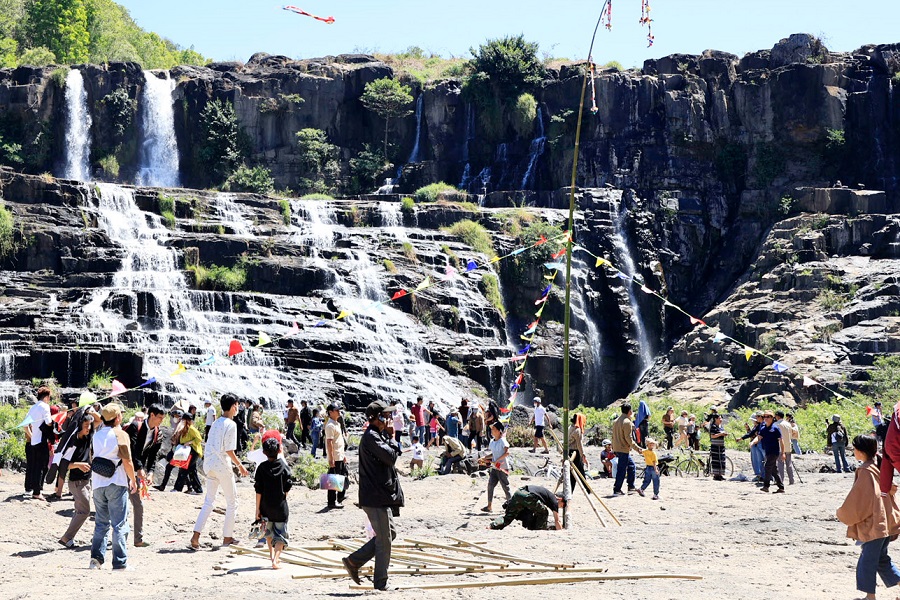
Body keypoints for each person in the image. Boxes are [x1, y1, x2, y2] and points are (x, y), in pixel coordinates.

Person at [342, 400, 404, 592]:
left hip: (379, 495)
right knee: (385, 539)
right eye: (385, 415)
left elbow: (393, 454)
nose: (389, 418)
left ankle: (354, 561)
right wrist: (393, 437)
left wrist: (390, 437)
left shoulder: (378, 435)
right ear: (376, 418)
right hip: (375, 497)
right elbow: (391, 457)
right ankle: (380, 583)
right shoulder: (372, 437)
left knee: (389, 534)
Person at [837, 434, 900, 600]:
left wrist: (842, 512)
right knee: (881, 560)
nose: (853, 451)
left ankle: (869, 597)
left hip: (874, 525)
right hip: (885, 521)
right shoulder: (877, 465)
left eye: (854, 449)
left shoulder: (865, 470)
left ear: (860, 451)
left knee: (867, 561)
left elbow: (860, 500)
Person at [191, 394, 250, 550]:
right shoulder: (231, 424)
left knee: (209, 501)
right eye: (237, 405)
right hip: (222, 466)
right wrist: (240, 466)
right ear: (233, 406)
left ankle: (195, 537)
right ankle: (227, 538)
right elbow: (229, 450)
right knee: (232, 502)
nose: (238, 408)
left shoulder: (216, 422)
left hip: (209, 465)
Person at [89, 403, 137, 570]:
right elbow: (127, 461)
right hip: (116, 482)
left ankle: (95, 560)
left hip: (97, 483)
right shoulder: (121, 434)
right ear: (117, 418)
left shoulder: (96, 434)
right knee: (119, 524)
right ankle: (120, 562)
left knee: (101, 523)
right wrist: (133, 480)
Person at [123, 404, 164, 547]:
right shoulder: (135, 426)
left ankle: (138, 539)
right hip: (123, 469)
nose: (161, 421)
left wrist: (151, 472)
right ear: (151, 415)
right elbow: (131, 450)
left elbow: (154, 455)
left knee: (138, 505)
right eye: (159, 418)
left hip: (137, 472)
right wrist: (139, 468)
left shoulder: (158, 433)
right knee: (119, 504)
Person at [254, 437, 293, 569]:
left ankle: (272, 557)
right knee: (280, 534)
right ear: (279, 450)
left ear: (264, 452)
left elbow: (258, 490)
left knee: (268, 533)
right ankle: (276, 560)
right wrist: (282, 497)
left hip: (265, 507)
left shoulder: (261, 468)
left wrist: (257, 509)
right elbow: (288, 486)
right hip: (280, 507)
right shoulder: (284, 466)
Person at [58, 413, 95, 548]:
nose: (88, 428)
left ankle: (68, 539)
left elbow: (98, 419)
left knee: (79, 511)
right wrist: (78, 465)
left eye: (90, 426)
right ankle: (66, 537)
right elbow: (64, 464)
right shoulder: (72, 442)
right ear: (79, 426)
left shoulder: (88, 437)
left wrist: (88, 409)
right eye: (86, 426)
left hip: (85, 481)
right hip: (76, 482)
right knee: (84, 511)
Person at [490, 485, 565, 530]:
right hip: (528, 496)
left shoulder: (549, 496)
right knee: (544, 512)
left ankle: (492, 526)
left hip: (519, 492)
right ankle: (540, 529)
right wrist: (561, 532)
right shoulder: (554, 501)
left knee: (508, 517)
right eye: (562, 505)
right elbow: (557, 520)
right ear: (560, 499)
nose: (560, 507)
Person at [24, 387, 53, 500]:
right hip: (42, 440)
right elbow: (48, 422)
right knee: (42, 466)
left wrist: (32, 435)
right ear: (46, 397)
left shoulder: (33, 407)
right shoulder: (45, 407)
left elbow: (25, 425)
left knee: (35, 466)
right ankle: (37, 491)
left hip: (34, 441)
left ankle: (34, 489)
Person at [612, 403, 644, 495]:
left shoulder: (616, 421)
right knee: (622, 469)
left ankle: (631, 486)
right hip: (623, 449)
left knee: (631, 466)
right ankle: (617, 489)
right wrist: (637, 448)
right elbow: (628, 438)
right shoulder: (627, 422)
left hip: (617, 448)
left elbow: (613, 436)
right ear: (629, 411)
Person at [752, 411, 785, 493]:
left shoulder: (775, 428)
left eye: (768, 417)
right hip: (767, 451)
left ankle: (766, 486)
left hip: (774, 452)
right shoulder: (763, 429)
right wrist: (752, 442)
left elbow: (781, 441)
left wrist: (783, 453)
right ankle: (781, 487)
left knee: (767, 467)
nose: (766, 418)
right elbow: (759, 437)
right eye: (765, 417)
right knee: (773, 470)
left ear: (772, 418)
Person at [482, 421, 511, 512]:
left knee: (506, 487)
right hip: (495, 468)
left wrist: (497, 460)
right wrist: (485, 457)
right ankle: (489, 506)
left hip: (502, 467)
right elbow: (493, 454)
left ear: (499, 431)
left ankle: (511, 506)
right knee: (490, 485)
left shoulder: (503, 441)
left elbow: (507, 453)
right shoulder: (492, 442)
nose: (492, 431)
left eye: (494, 429)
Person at [172, 412, 204, 495]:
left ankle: (178, 488)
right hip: (187, 451)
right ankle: (198, 489)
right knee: (191, 470)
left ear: (187, 420)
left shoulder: (192, 429)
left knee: (184, 468)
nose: (182, 421)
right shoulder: (185, 429)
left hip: (193, 451)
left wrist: (189, 442)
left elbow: (199, 439)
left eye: (183, 420)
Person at [325, 403, 348, 509]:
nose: (339, 411)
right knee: (333, 480)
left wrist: (343, 455)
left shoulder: (336, 423)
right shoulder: (330, 425)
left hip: (339, 455)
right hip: (335, 456)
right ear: (330, 412)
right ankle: (331, 502)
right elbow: (329, 443)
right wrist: (331, 458)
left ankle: (339, 497)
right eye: (337, 410)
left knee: (339, 477)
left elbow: (339, 441)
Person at [568, 413, 590, 493]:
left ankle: (572, 490)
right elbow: (579, 444)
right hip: (575, 453)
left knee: (574, 472)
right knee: (580, 472)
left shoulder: (571, 427)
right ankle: (587, 489)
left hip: (570, 452)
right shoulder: (577, 430)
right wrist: (583, 455)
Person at [740, 412, 765, 481]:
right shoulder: (757, 426)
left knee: (761, 460)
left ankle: (762, 474)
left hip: (758, 444)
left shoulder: (761, 426)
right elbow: (751, 433)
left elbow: (753, 434)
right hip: (756, 444)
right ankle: (761, 475)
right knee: (759, 460)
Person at [775, 410, 797, 485]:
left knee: (780, 464)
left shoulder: (776, 424)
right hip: (788, 446)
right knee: (789, 464)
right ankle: (792, 480)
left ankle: (781, 480)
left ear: (777, 416)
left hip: (780, 446)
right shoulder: (788, 424)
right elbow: (792, 433)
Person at [708, 415, 728, 481]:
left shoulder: (721, 426)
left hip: (721, 445)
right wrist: (720, 434)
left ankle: (720, 474)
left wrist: (724, 434)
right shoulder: (713, 426)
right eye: (719, 418)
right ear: (715, 419)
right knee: (716, 460)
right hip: (715, 446)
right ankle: (716, 475)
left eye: (721, 418)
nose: (721, 419)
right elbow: (712, 436)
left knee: (721, 460)